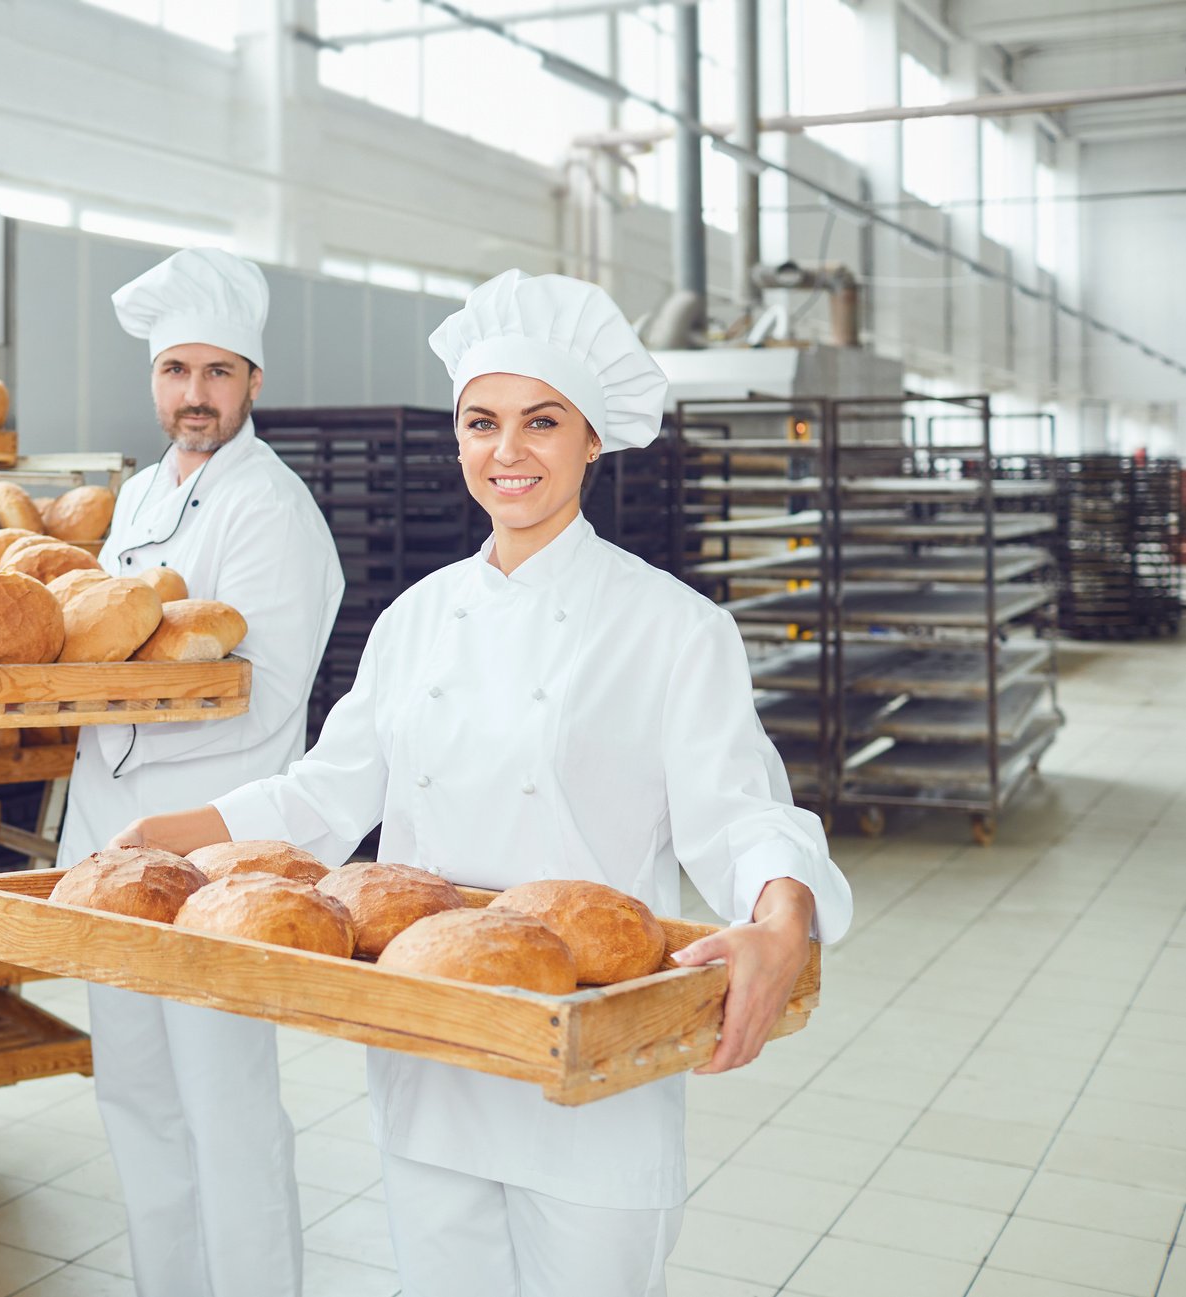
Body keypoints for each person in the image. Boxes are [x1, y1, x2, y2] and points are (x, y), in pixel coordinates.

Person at [112, 270, 854, 1297]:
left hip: (588, 1068)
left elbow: (741, 815)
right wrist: (162, 830)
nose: (506, 451)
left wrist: (780, 917)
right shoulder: (417, 615)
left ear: (590, 438)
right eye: (481, 421)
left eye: (540, 421)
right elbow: (326, 797)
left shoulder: (671, 625)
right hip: (431, 1047)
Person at [57, 247, 344, 1297]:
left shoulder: (272, 509)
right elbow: (100, 648)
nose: (195, 394)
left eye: (217, 372)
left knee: (225, 1105)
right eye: (176, 371)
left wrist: (100, 686)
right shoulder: (134, 499)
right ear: (154, 382)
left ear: (253, 383)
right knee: (133, 1092)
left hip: (212, 850)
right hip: (104, 841)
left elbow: (263, 696)